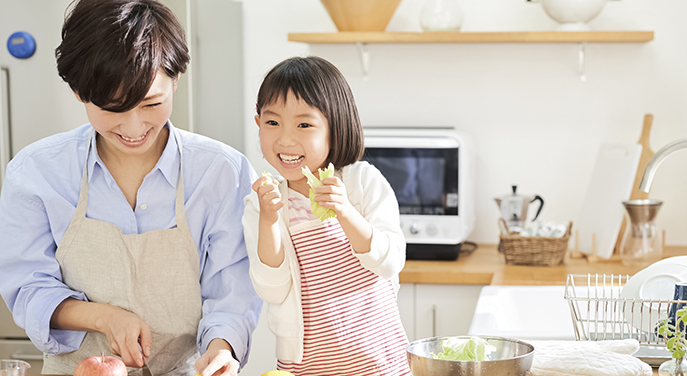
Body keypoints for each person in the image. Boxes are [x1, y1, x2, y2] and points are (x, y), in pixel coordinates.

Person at [0, 1, 262, 375]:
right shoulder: (37, 171)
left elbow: (232, 292)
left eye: (152, 103)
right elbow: (27, 287)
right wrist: (104, 317)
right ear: (79, 93)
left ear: (175, 80)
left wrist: (222, 348)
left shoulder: (223, 172)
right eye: (112, 108)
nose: (134, 127)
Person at [242, 56, 412, 375]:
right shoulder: (261, 203)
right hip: (304, 366)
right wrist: (268, 221)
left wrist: (345, 212)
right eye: (272, 122)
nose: (285, 139)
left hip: (378, 360)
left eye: (304, 124)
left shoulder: (361, 182)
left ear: (336, 126)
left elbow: (390, 262)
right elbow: (272, 290)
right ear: (258, 123)